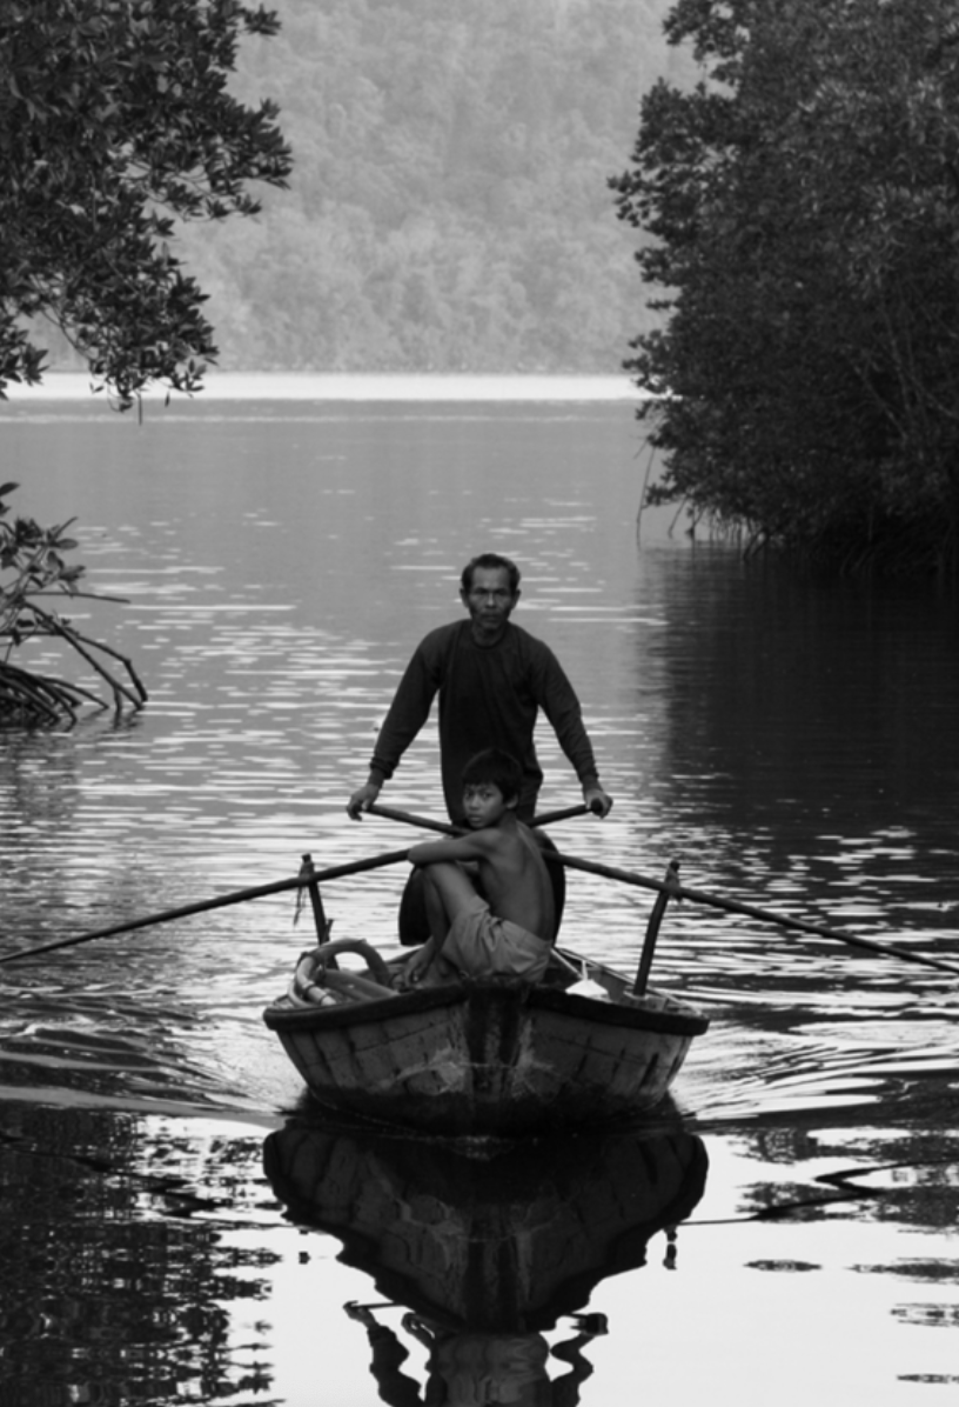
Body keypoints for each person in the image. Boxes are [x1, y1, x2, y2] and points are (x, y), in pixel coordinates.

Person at [347, 552, 613, 826]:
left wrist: (590, 783)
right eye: (481, 593)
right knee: (456, 859)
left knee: (507, 855)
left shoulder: (533, 656)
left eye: (500, 594)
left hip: (515, 797)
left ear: (515, 599)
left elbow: (567, 720)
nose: (490, 603)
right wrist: (374, 782)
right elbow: (405, 715)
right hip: (464, 794)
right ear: (464, 597)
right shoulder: (439, 647)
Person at [398, 748, 556, 988]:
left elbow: (416, 854)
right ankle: (439, 954)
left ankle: (444, 969)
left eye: (485, 796)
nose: (473, 805)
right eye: (469, 795)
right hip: (535, 960)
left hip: (509, 957)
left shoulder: (491, 840)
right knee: (463, 872)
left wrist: (448, 846)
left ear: (511, 800)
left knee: (435, 866)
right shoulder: (523, 832)